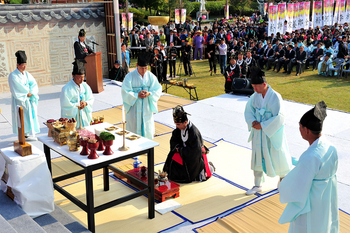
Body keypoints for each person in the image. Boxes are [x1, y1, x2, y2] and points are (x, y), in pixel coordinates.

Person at [279, 101, 339, 232]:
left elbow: (295, 186)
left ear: (306, 130)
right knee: (326, 224)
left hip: (312, 203)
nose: (299, 129)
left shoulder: (310, 156)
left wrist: (283, 181)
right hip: (327, 197)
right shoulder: (330, 147)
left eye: (300, 127)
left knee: (309, 227)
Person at [244, 66, 292, 195]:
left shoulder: (275, 97)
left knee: (276, 154)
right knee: (257, 157)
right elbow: (248, 111)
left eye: (255, 86)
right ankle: (257, 184)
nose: (254, 89)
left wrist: (264, 125)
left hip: (272, 133)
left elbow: (280, 117)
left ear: (264, 84)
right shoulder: (255, 96)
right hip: (258, 133)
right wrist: (253, 122)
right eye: (253, 86)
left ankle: (283, 179)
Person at [163, 105, 215, 183]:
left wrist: (180, 149)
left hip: (193, 158)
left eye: (178, 124)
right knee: (171, 161)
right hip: (183, 152)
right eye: (176, 124)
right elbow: (174, 140)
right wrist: (177, 147)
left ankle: (208, 167)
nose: (176, 126)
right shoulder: (179, 128)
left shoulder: (194, 133)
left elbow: (195, 151)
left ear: (185, 122)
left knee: (185, 175)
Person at [121, 54, 162, 139]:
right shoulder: (129, 76)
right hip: (134, 107)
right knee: (134, 129)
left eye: (146, 68)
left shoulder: (150, 76)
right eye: (141, 68)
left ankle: (146, 148)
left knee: (147, 128)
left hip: (146, 107)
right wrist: (136, 95)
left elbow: (157, 88)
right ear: (137, 65)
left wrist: (149, 93)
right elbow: (125, 91)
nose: (144, 70)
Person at [8, 50, 40, 141]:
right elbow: (17, 87)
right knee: (21, 118)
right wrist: (27, 92)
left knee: (29, 117)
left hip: (28, 99)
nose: (25, 66)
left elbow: (33, 83)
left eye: (25, 64)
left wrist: (32, 92)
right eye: (23, 65)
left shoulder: (27, 74)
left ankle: (26, 134)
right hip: (20, 100)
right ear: (18, 65)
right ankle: (22, 135)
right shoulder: (13, 75)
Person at [60, 60, 94, 128]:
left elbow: (90, 98)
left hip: (84, 114)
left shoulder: (85, 86)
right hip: (73, 116)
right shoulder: (66, 88)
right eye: (79, 78)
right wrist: (77, 105)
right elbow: (65, 104)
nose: (81, 80)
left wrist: (85, 103)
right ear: (73, 76)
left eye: (83, 77)